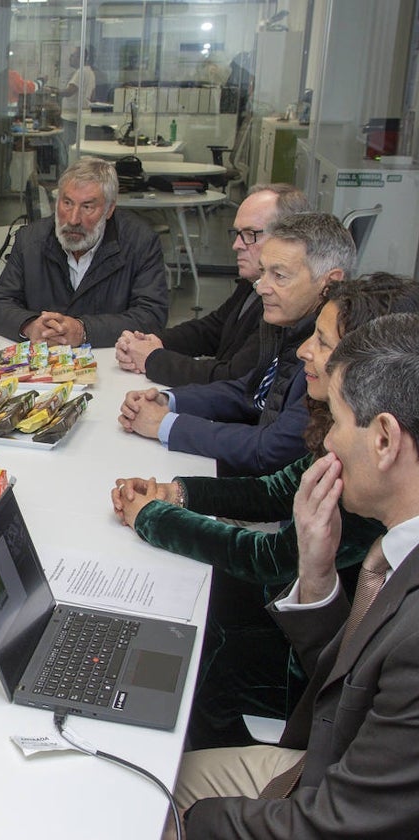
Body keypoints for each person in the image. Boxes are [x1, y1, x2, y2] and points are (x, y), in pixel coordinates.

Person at [112, 274, 419, 748]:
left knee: (188, 635)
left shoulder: (371, 475)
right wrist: (176, 493)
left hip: (304, 656)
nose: (304, 351)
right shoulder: (344, 429)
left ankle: (218, 758)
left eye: (322, 341)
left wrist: (153, 517)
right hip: (308, 624)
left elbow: (271, 558)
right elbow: (275, 491)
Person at [171, 312, 419, 839]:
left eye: (337, 420)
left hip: (329, 797)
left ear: (384, 439)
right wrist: (316, 568)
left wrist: (189, 824)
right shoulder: (396, 544)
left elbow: (336, 824)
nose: (327, 443)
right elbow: (354, 679)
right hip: (332, 769)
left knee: (143, 798)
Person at [119, 212, 355, 477]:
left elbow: (272, 448)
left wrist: (165, 424)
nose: (261, 287)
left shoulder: (334, 355)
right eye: (264, 272)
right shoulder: (291, 324)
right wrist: (169, 400)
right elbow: (249, 392)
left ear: (331, 282)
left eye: (279, 276)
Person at [115, 184, 311, 386]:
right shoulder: (252, 282)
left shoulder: (283, 304)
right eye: (237, 233)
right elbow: (213, 329)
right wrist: (154, 342)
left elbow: (233, 377)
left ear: (288, 239)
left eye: (250, 234)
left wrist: (152, 359)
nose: (236, 245)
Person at [0, 156, 169, 348]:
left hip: (110, 363)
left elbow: (152, 316)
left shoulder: (140, 243)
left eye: (87, 207)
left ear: (109, 209)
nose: (73, 219)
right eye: (67, 203)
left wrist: (83, 331)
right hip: (43, 365)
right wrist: (30, 326)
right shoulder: (30, 239)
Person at [59, 46, 95, 145]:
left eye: (72, 56)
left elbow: (69, 91)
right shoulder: (90, 72)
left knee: (69, 149)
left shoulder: (81, 72)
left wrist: (53, 92)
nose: (70, 58)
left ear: (80, 57)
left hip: (72, 119)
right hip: (80, 117)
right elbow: (92, 96)